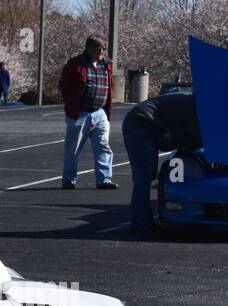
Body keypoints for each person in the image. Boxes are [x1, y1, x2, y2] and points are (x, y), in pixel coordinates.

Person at [122, 91, 201, 233]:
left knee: (144, 176)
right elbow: (195, 143)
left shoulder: (198, 105)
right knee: (145, 175)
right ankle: (142, 223)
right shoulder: (197, 111)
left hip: (148, 121)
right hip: (141, 123)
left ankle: (138, 220)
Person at [58, 36, 118, 190]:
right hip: (80, 113)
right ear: (89, 48)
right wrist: (72, 102)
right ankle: (69, 179)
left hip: (100, 112)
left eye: (103, 49)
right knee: (73, 148)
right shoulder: (76, 64)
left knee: (103, 147)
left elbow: (110, 85)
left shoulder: (106, 64)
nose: (102, 52)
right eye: (99, 49)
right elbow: (64, 86)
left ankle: (104, 179)